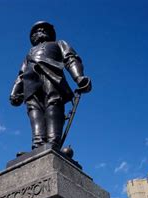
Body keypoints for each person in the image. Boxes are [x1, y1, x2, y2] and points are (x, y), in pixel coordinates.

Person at [10, 21, 91, 150]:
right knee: (34, 110)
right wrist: (14, 91)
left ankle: (53, 141)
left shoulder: (59, 44)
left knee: (53, 105)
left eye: (43, 29)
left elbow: (71, 59)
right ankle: (38, 144)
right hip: (30, 83)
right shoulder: (29, 53)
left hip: (52, 78)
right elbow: (21, 74)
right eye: (36, 31)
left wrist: (79, 77)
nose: (40, 31)